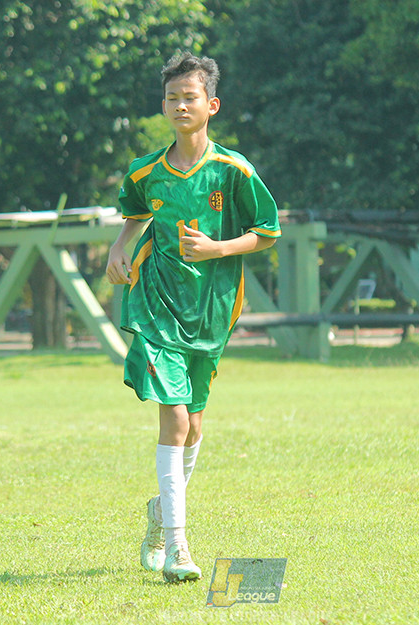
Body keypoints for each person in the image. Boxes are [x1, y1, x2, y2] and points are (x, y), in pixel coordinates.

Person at [105, 52, 280, 583]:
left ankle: (161, 514)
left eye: (191, 97)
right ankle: (178, 547)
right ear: (163, 107)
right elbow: (135, 216)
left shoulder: (234, 170)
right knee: (176, 419)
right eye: (172, 98)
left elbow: (267, 232)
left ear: (212, 105)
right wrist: (119, 247)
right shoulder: (145, 172)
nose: (181, 105)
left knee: (195, 424)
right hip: (156, 307)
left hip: (211, 312)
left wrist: (218, 248)